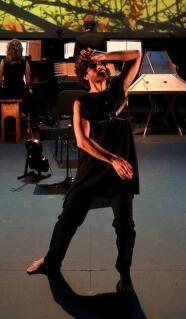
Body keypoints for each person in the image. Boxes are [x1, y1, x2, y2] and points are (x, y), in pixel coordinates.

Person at [26, 47, 142, 293]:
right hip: (94, 170)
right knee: (68, 217)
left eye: (101, 65)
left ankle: (125, 275)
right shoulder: (83, 103)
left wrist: (104, 55)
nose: (99, 67)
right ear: (85, 76)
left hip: (120, 173)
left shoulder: (119, 88)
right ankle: (51, 262)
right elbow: (82, 141)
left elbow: (136, 55)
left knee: (125, 227)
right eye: (93, 66)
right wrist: (113, 159)